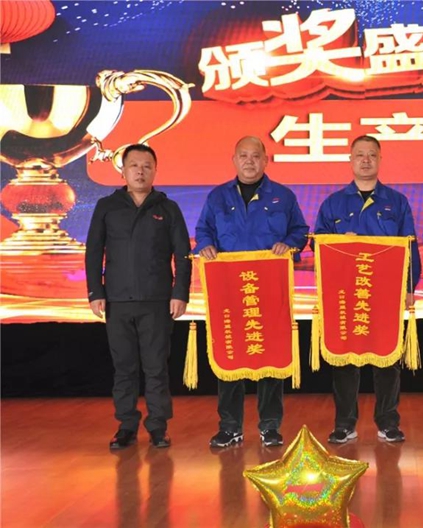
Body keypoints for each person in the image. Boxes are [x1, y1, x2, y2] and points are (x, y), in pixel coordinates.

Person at [195, 136, 309, 448]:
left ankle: (270, 426)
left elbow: (300, 231)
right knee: (230, 354)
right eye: (243, 155)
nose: (249, 161)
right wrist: (205, 245)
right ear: (234, 160)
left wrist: (290, 244)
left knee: (271, 355)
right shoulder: (218, 196)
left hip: (269, 289)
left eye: (255, 156)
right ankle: (230, 426)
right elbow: (203, 230)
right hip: (230, 290)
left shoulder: (283, 196)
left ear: (265, 160)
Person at [314, 135, 421, 444]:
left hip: (386, 292)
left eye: (371, 155)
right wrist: (338, 242)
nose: (365, 160)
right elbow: (317, 244)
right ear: (350, 160)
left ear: (379, 160)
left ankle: (388, 422)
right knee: (345, 359)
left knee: (387, 358)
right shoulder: (333, 203)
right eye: (359, 154)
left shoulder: (397, 201)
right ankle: (344, 424)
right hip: (345, 294)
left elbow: (410, 245)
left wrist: (409, 286)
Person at [85, 143, 191, 450]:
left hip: (157, 301)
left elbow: (183, 254)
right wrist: (95, 292)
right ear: (123, 170)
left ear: (155, 171)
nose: (140, 171)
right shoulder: (107, 206)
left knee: (156, 368)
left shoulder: (168, 208)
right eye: (134, 165)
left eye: (147, 166)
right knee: (125, 367)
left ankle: (158, 426)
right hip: (116, 301)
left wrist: (180, 293)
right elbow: (94, 251)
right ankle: (126, 425)